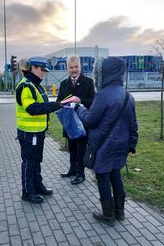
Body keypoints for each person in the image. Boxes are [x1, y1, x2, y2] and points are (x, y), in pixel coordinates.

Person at [64, 57, 138, 225]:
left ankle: (108, 215)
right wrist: (132, 145)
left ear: (104, 73)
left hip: (104, 146)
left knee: (103, 177)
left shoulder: (103, 95)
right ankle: (120, 212)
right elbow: (134, 125)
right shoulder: (128, 96)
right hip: (122, 146)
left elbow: (90, 120)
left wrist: (79, 108)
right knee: (116, 176)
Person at [15, 56, 62, 204]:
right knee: (29, 162)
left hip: (38, 132)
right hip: (28, 133)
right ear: (33, 68)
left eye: (45, 71)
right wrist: (56, 105)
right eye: (42, 70)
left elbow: (42, 105)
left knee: (36, 161)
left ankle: (37, 186)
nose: (43, 73)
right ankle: (27, 192)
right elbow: (32, 109)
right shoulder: (26, 86)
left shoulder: (37, 86)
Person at [56, 54, 95, 185]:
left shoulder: (89, 82)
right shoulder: (63, 84)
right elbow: (58, 102)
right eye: (71, 67)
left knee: (81, 149)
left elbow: (94, 102)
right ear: (67, 68)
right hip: (69, 123)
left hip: (82, 122)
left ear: (80, 66)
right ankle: (72, 170)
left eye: (76, 66)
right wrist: (63, 102)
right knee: (71, 148)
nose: (74, 69)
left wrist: (80, 100)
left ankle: (80, 174)